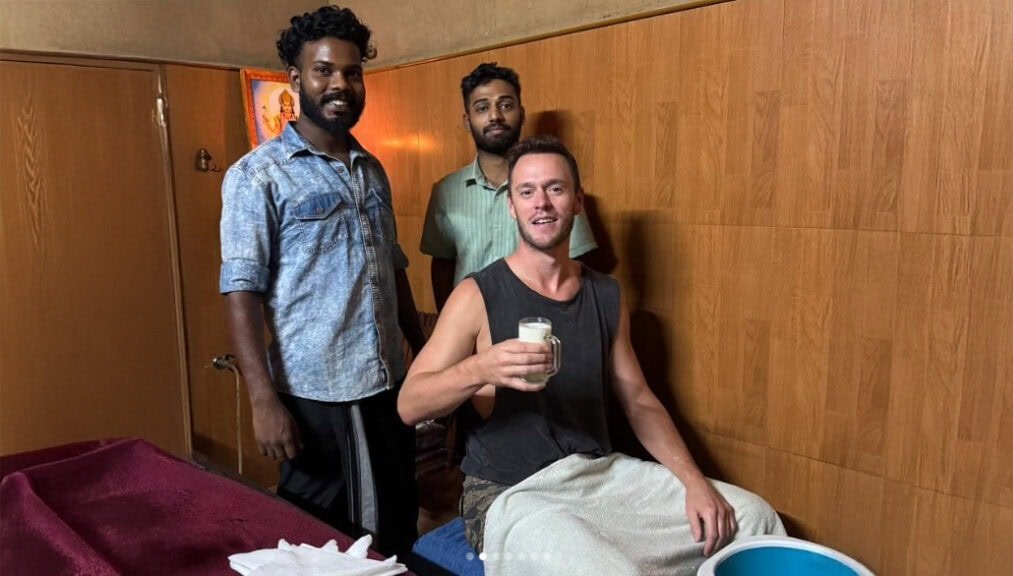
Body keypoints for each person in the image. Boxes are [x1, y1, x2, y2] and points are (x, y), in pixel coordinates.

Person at [398, 136, 783, 571]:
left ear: (577, 201)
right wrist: (479, 366)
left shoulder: (606, 294)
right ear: (512, 206)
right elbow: (410, 405)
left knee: (752, 519)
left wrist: (693, 480)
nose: (541, 203)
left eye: (555, 189)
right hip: (511, 494)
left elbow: (638, 400)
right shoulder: (476, 294)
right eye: (527, 191)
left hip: (598, 476)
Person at [219, 5, 423, 558]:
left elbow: (393, 265)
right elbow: (241, 293)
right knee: (325, 540)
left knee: (396, 524)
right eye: (324, 70)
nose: (340, 84)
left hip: (387, 386)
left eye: (352, 72)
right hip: (321, 396)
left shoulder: (372, 168)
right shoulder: (258, 175)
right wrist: (262, 399)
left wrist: (425, 358)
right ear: (295, 80)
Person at [419, 62, 597, 311]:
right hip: (469, 330)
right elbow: (442, 265)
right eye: (482, 108)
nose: (495, 116)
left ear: (521, 113)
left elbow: (578, 262)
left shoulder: (556, 187)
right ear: (468, 121)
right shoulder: (445, 191)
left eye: (506, 105)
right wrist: (448, 327)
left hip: (537, 326)